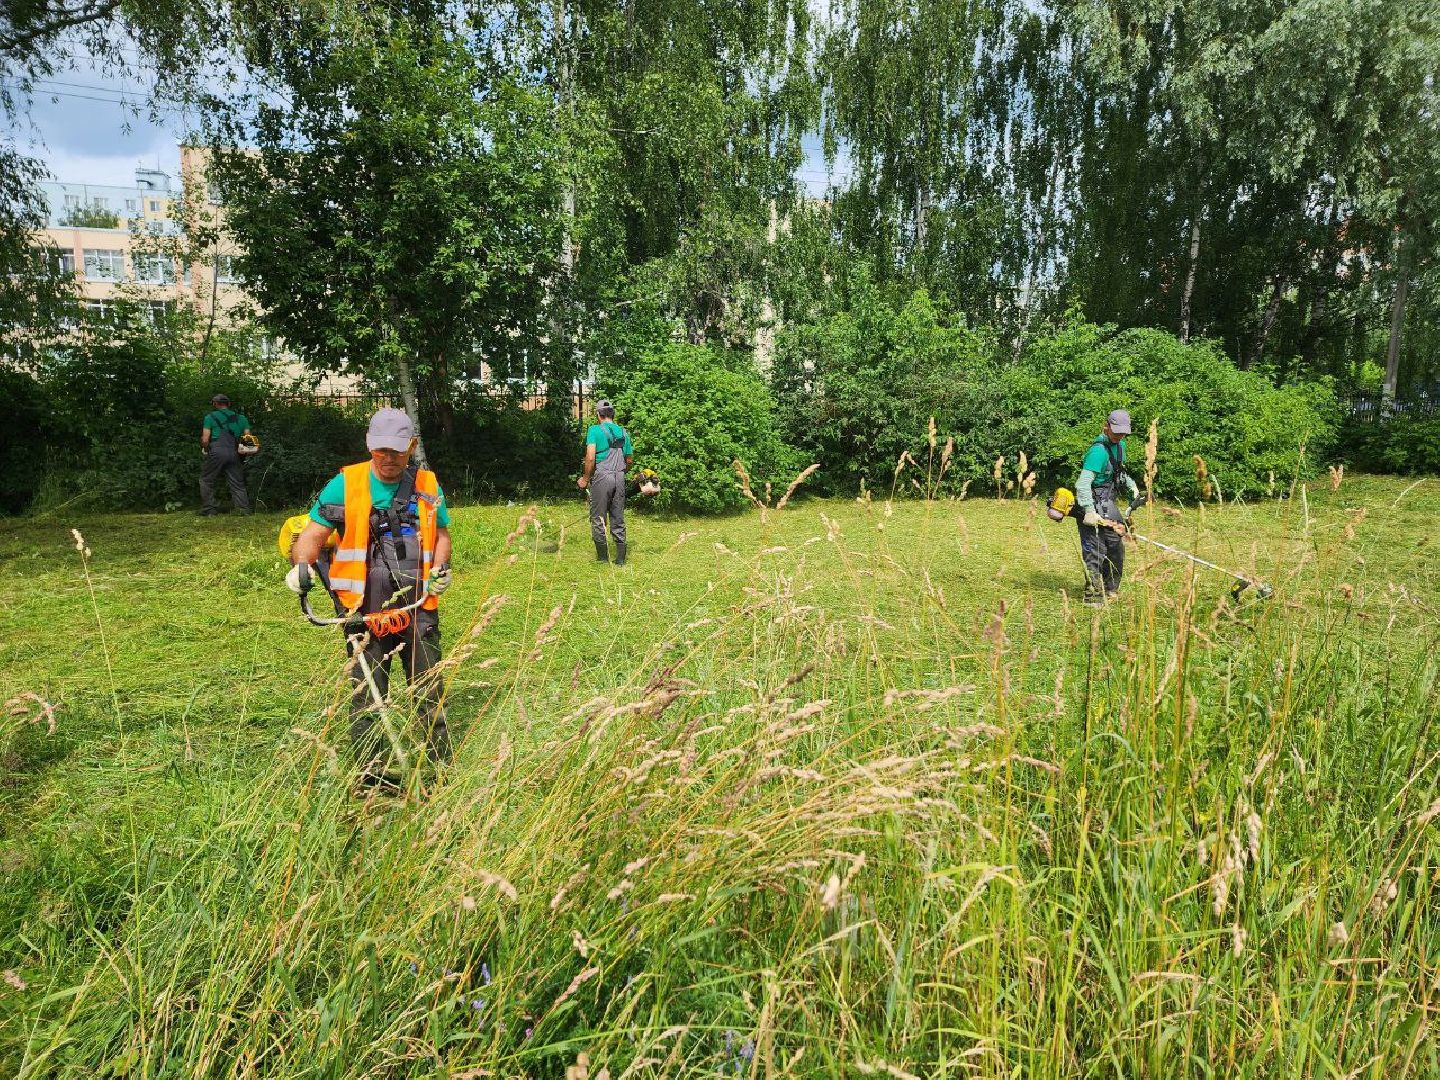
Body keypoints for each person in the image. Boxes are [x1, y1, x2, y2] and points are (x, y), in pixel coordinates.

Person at [286, 407, 455, 788]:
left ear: (411, 446)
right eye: (380, 449)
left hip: (418, 603)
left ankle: (440, 770)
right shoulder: (345, 485)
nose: (388, 458)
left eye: (396, 449)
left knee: (429, 686)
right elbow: (312, 537)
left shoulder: (426, 483)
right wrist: (301, 568)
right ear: (369, 445)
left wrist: (440, 572)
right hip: (364, 606)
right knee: (367, 693)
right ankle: (370, 775)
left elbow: (441, 535)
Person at [1075, 408, 1142, 606]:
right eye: (1116, 431)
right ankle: (1093, 596)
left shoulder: (1120, 446)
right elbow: (1083, 483)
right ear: (1106, 426)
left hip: (1108, 503)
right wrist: (1088, 510)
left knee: (1115, 547)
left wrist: (1133, 489)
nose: (1120, 435)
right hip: (1092, 503)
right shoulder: (1097, 451)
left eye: (1123, 432)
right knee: (1095, 549)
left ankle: (1111, 590)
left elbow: (1118, 474)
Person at [578, 399, 633, 565]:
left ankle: (602, 558)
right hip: (620, 477)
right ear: (612, 414)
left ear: (598, 415)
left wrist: (585, 479)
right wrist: (622, 473)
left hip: (603, 477)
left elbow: (590, 458)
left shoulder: (594, 430)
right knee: (618, 516)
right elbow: (629, 460)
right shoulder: (623, 432)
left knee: (598, 517)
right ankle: (621, 559)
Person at [199, 394, 253, 516]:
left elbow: (206, 439)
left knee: (206, 480)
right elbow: (248, 439)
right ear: (228, 404)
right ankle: (243, 510)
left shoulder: (210, 417)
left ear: (215, 404)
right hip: (234, 451)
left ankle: (209, 510)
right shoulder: (242, 418)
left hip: (216, 451)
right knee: (237, 482)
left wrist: (205, 449)